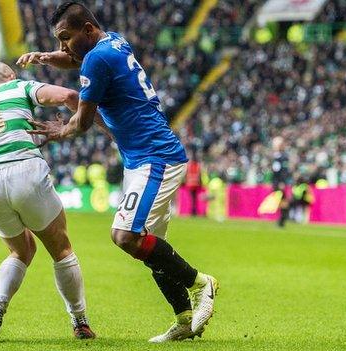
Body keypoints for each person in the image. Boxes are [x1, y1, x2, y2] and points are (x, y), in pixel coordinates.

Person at [17, 1, 218, 343]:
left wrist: (56, 131)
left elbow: (81, 122)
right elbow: (75, 57)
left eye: (65, 37)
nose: (63, 46)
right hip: (141, 157)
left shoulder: (97, 58)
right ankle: (185, 318)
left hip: (155, 158)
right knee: (153, 246)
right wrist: (47, 57)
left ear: (88, 30)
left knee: (125, 236)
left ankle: (201, 283)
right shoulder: (112, 41)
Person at [0, 61, 96, 341]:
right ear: (10, 77)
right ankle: (80, 322)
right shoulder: (19, 87)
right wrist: (73, 125)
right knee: (61, 249)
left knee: (20, 251)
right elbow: (69, 96)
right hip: (23, 168)